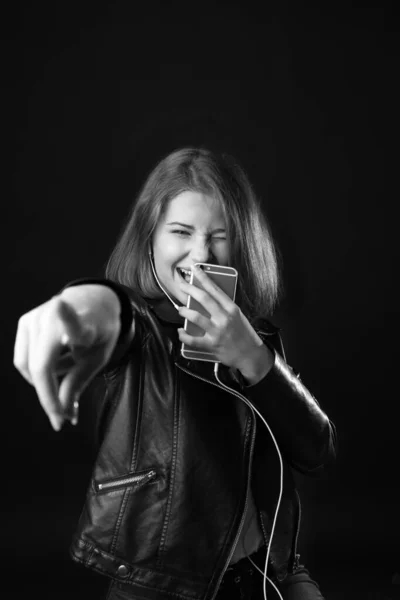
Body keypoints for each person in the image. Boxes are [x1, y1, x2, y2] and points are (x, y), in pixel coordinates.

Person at [14, 147, 336, 600]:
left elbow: (316, 449)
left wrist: (255, 358)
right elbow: (114, 314)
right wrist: (83, 305)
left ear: (241, 243)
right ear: (150, 239)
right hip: (163, 587)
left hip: (270, 575)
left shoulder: (259, 336)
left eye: (219, 236)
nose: (201, 254)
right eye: (181, 232)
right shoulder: (143, 331)